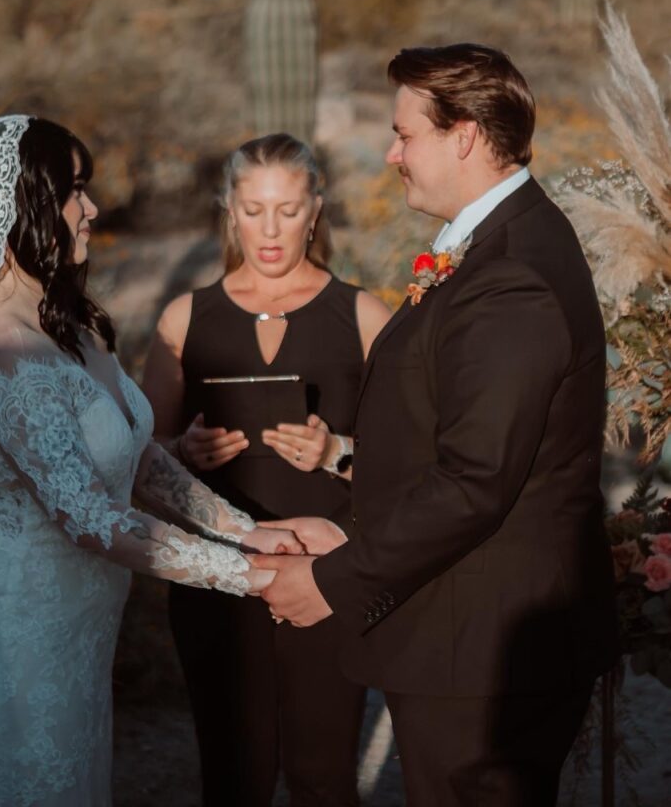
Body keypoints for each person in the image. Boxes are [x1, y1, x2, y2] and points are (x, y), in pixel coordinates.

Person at [0, 115, 301, 807]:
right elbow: (90, 519)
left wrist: (245, 530)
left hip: (75, 631)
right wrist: (254, 578)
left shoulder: (71, 325)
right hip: (8, 642)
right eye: (75, 191)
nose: (91, 209)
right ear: (23, 207)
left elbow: (136, 456)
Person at [256, 45, 620, 807]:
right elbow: (455, 442)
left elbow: (475, 481)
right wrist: (353, 519)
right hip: (464, 628)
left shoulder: (512, 273)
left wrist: (334, 581)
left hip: (483, 650)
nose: (390, 154)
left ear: (463, 136)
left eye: (403, 134)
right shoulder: (493, 245)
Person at [141, 133, 391, 807]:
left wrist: (336, 451)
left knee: (323, 778)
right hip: (217, 582)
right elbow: (136, 456)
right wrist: (181, 452)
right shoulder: (182, 319)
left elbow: (412, 465)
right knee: (232, 778)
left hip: (326, 574)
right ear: (228, 210)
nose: (270, 229)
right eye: (253, 209)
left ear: (315, 209)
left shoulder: (366, 316)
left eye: (286, 209)